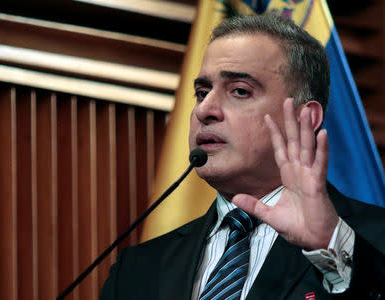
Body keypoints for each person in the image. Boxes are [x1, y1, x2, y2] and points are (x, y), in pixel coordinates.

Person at [99, 15, 385, 300]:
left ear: (303, 119)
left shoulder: (374, 239)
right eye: (201, 92)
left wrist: (329, 244)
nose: (204, 110)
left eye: (239, 91)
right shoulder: (136, 271)